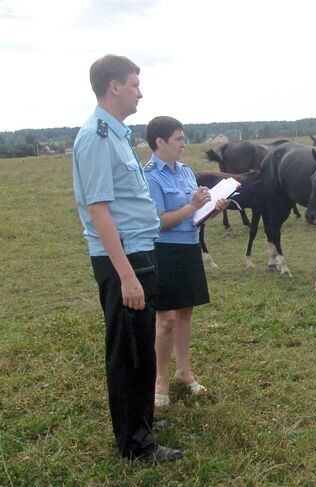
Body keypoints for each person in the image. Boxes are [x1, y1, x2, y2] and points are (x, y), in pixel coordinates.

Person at [72, 54, 184, 462]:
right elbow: (99, 211)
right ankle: (135, 445)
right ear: (114, 87)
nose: (141, 91)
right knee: (129, 352)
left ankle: (142, 422)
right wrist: (126, 276)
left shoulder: (117, 134)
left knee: (140, 345)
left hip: (139, 251)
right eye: (135, 83)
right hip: (124, 259)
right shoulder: (97, 137)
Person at [143, 116, 229, 409]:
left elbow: (194, 217)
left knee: (185, 314)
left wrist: (212, 208)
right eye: (179, 138)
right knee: (165, 319)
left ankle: (184, 371)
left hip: (189, 248)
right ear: (160, 142)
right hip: (164, 252)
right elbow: (158, 223)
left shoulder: (186, 173)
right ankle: (160, 380)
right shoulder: (150, 176)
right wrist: (192, 205)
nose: (184, 144)